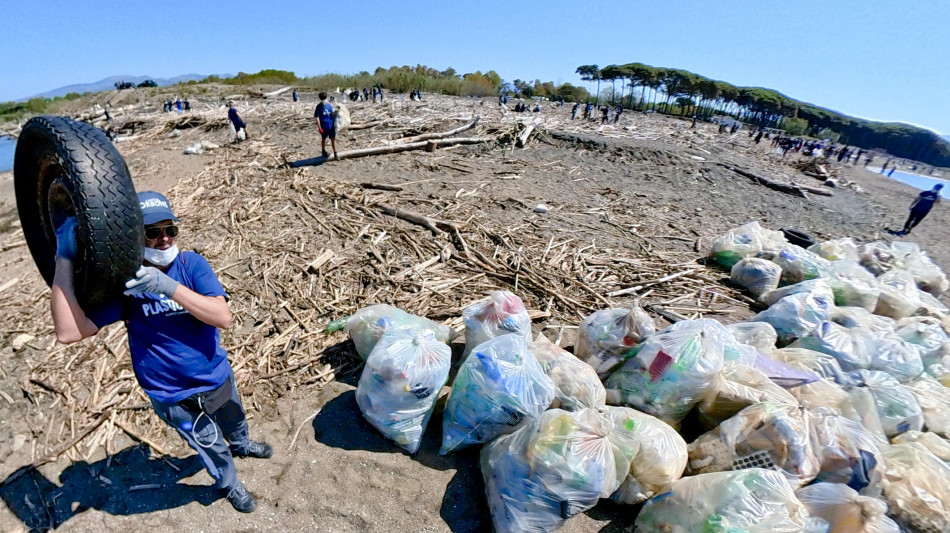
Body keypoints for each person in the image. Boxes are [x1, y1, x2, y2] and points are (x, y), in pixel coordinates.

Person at [49, 191, 272, 513]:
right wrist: (64, 258)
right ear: (134, 236)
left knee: (234, 419)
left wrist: (169, 288)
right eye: (152, 232)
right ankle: (230, 484)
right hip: (171, 393)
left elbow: (223, 317)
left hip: (215, 377)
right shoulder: (125, 284)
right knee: (209, 445)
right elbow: (69, 332)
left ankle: (242, 444)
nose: (164, 239)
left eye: (170, 230)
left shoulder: (191, 264)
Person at [314, 91, 338, 160]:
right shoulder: (319, 107)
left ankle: (335, 153)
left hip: (330, 125)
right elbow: (317, 117)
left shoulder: (329, 105)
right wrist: (319, 127)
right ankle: (323, 151)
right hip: (323, 126)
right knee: (323, 139)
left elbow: (331, 115)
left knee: (333, 139)